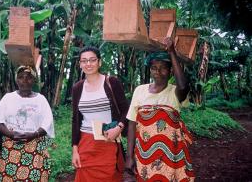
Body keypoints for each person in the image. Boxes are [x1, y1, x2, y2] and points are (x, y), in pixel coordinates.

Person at [124, 37, 195, 182]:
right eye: (154, 68)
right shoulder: (140, 90)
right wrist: (129, 156)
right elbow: (132, 123)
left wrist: (172, 52)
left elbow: (183, 86)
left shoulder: (175, 92)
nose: (158, 72)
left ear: (170, 71)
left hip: (171, 155)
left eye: (163, 68)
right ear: (150, 70)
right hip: (145, 154)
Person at [71, 46, 130, 182]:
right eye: (84, 61)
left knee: (108, 175)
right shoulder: (77, 88)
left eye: (92, 60)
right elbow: (75, 120)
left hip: (108, 139)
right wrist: (75, 150)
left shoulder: (111, 82)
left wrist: (119, 127)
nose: (88, 64)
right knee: (84, 176)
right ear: (80, 64)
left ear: (99, 62)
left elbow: (126, 110)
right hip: (85, 142)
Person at [0, 65, 55, 182]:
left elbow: (47, 123)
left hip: (34, 147)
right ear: (16, 79)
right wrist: (11, 134)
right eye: (21, 77)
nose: (25, 81)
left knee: (34, 177)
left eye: (29, 77)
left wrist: (34, 134)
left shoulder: (41, 99)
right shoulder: (8, 98)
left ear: (34, 80)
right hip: (11, 148)